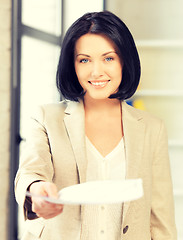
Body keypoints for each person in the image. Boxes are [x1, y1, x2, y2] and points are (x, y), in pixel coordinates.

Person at [15, 11, 177, 240]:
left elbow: (161, 219)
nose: (96, 71)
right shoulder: (46, 118)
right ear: (73, 65)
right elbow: (30, 172)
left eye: (108, 58)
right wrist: (37, 190)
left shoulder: (152, 128)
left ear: (124, 61)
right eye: (84, 60)